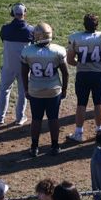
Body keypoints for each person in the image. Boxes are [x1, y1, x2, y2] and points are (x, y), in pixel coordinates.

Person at [67, 13, 101, 142]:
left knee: (81, 103)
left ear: (84, 24)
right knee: (99, 102)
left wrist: (80, 64)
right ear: (97, 25)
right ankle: (99, 131)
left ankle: (78, 133)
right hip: (99, 75)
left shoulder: (75, 38)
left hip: (83, 75)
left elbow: (70, 60)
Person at [21, 22, 69, 156]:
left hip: (35, 90)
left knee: (36, 119)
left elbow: (24, 72)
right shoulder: (58, 50)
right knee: (53, 118)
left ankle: (34, 147)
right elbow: (65, 73)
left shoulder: (27, 51)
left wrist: (26, 89)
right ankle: (55, 145)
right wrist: (64, 89)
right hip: (53, 90)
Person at [0, 3, 34, 126]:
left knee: (4, 90)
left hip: (8, 66)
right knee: (23, 92)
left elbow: (3, 39)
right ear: (24, 13)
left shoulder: (5, 29)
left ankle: (0, 117)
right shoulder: (31, 30)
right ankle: (20, 118)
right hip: (24, 67)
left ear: (12, 13)